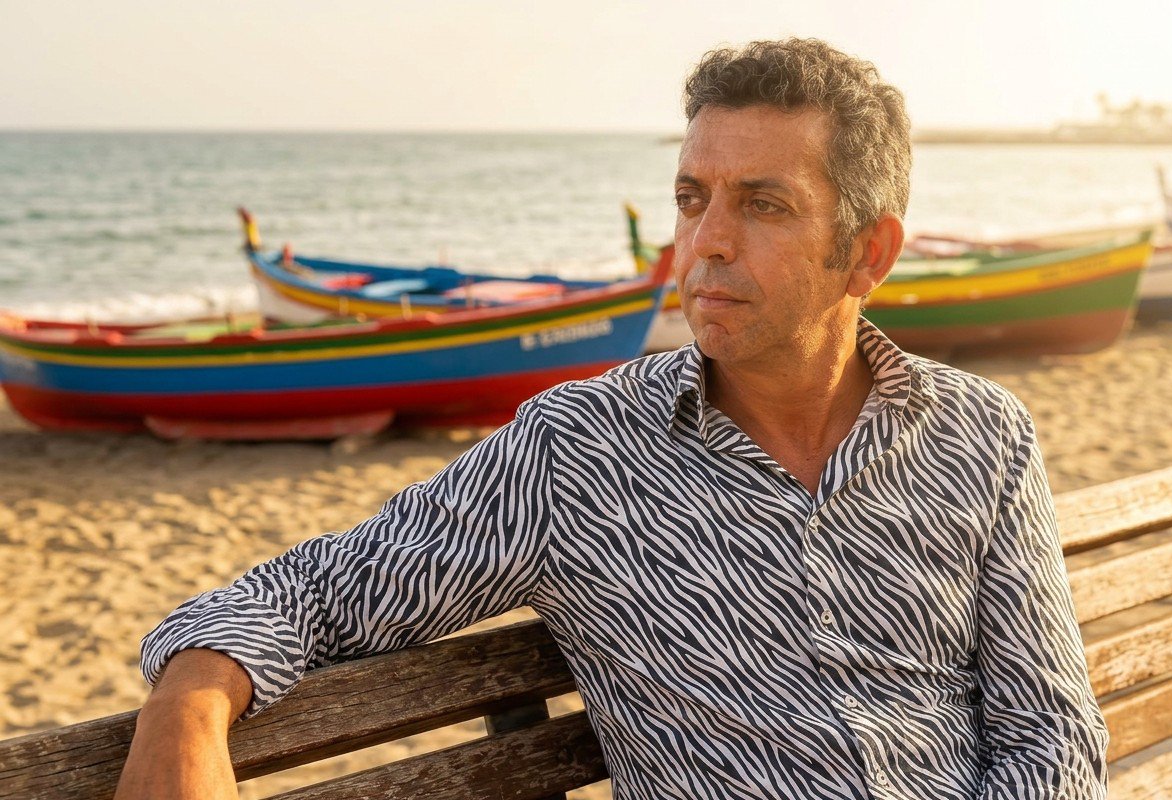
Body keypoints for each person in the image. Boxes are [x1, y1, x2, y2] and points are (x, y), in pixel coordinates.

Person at [115, 38, 1108, 799]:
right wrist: (192, 695)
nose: (707, 242)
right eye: (692, 197)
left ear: (868, 252)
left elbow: (1051, 732)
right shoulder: (578, 454)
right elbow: (323, 588)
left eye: (763, 204)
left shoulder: (982, 437)